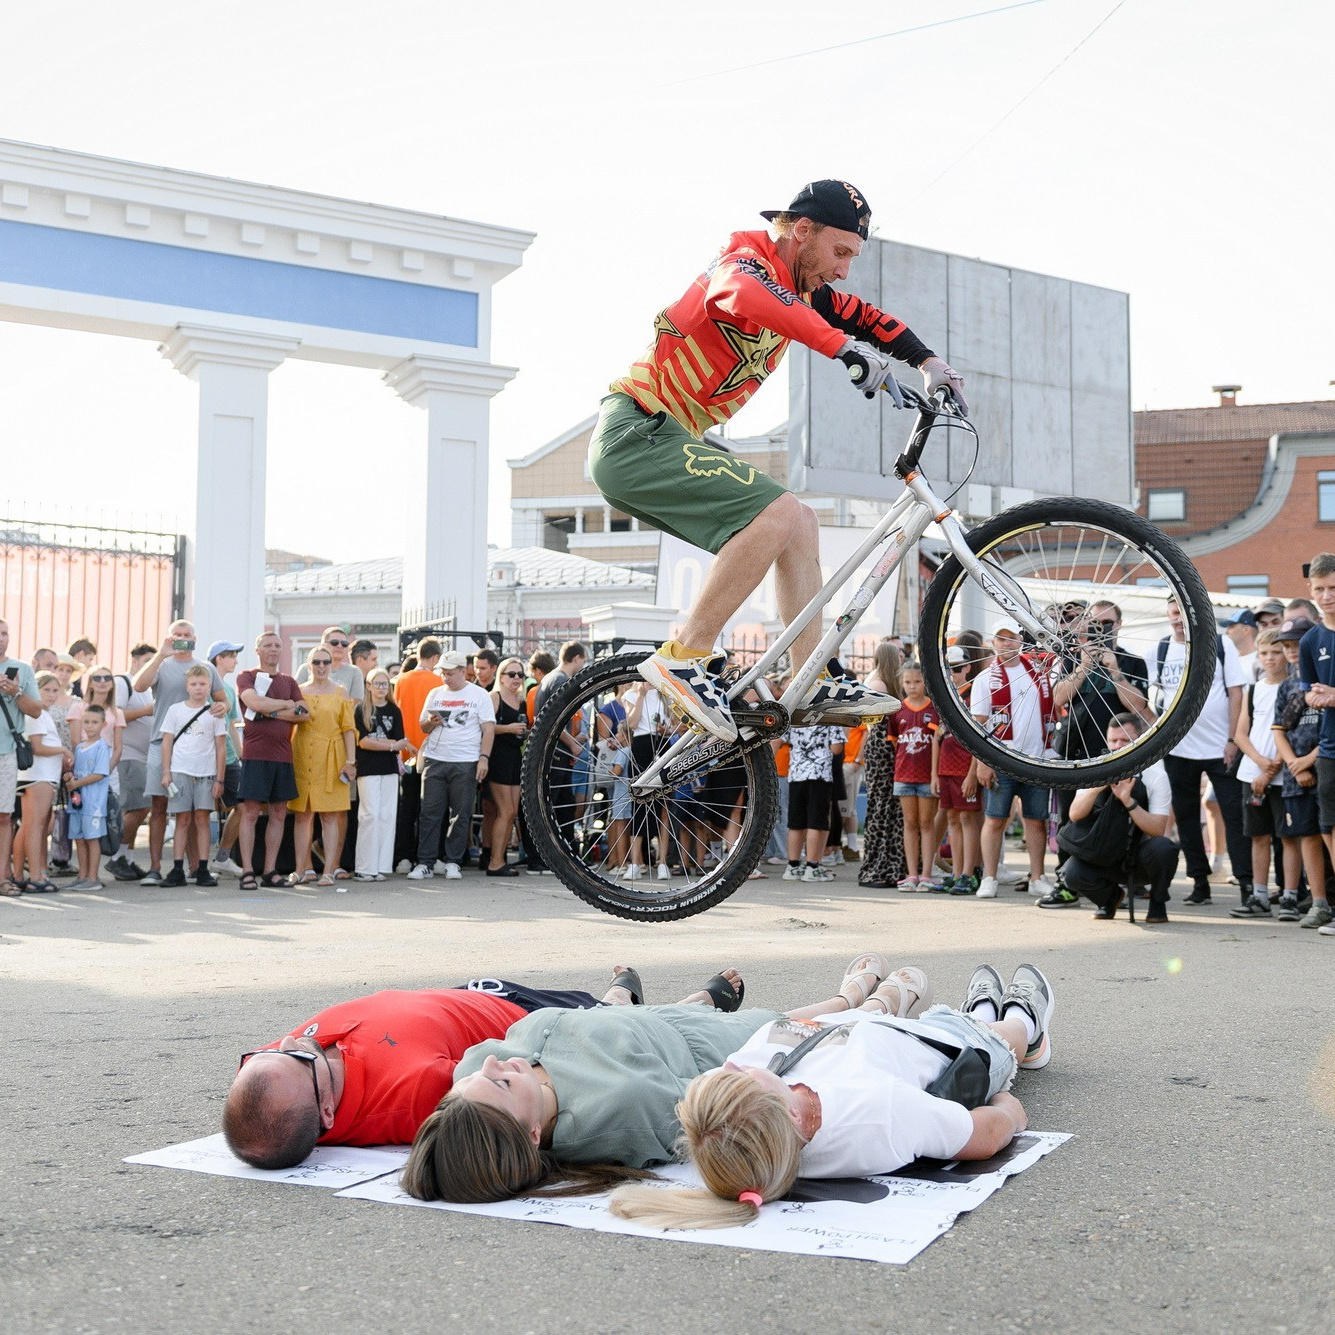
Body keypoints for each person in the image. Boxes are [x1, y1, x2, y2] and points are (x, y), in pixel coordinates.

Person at [589, 181, 966, 743]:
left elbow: (866, 318)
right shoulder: (741, 262)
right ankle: (684, 655)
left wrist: (930, 363)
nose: (843, 271)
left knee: (801, 522)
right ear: (802, 230)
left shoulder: (804, 289)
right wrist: (842, 350)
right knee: (779, 512)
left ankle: (809, 677)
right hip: (635, 432)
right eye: (840, 252)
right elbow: (748, 295)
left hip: (665, 439)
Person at [400, 953, 938, 1203]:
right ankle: (864, 1005)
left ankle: (665, 995)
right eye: (501, 1084)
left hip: (641, 1019)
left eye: (480, 1076)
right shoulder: (621, 1111)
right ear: (533, 1134)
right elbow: (720, 1101)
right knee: (789, 1029)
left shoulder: (474, 1075)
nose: (494, 1065)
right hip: (701, 1047)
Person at [608, 963, 1055, 1229]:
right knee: (1004, 1034)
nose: (733, 1066)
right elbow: (982, 1136)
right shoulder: (878, 1116)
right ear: (793, 1116)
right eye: (740, 1078)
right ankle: (1022, 1023)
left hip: (868, 1032)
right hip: (953, 1048)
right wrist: (1008, 1110)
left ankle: (978, 1008)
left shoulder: (742, 1123)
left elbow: (782, 1038)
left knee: (966, 1019)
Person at [223, 966, 751, 1170]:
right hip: (522, 1017)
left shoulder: (279, 1073)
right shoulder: (410, 1095)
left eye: (267, 1053)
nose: (293, 1039)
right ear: (326, 1112)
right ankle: (688, 1003)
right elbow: (496, 1102)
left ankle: (622, 997)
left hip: (464, 993)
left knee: (613, 1013)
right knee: (616, 1022)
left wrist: (276, 1059)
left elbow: (270, 1084)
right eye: (300, 1055)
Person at [1153, 594, 1251, 907]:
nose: (1178, 618)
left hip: (1221, 748)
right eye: (1173, 612)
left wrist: (1233, 739)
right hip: (1178, 749)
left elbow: (1236, 693)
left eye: (1182, 612)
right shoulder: (1160, 649)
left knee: (1235, 817)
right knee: (1186, 820)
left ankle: (1247, 885)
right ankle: (1199, 882)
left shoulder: (1219, 644)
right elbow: (1153, 699)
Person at [972, 618, 1078, 900]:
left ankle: (1037, 877)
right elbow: (978, 726)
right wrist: (982, 762)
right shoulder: (985, 678)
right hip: (1001, 758)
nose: (1007, 644)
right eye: (1001, 638)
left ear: (1020, 641)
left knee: (1036, 820)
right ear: (993, 643)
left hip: (1036, 758)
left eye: (1011, 638)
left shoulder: (1038, 671)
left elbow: (1056, 700)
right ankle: (989, 877)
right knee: (995, 819)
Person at [1044, 714, 1177, 923]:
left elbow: (1158, 829)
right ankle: (1109, 899)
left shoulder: (1155, 774)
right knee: (1072, 873)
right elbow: (1075, 814)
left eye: (1125, 740)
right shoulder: (1096, 767)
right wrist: (1100, 785)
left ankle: (1158, 903)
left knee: (1165, 849)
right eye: (1113, 740)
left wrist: (1128, 801)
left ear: (1140, 740)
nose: (1118, 746)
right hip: (1102, 853)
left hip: (1139, 857)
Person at [131, 621, 227, 886]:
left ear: (195, 638)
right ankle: (154, 867)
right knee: (159, 806)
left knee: (195, 809)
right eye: (178, 635)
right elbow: (139, 686)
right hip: (161, 742)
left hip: (197, 746)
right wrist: (161, 654)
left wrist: (224, 706)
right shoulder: (162, 665)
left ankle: (196, 867)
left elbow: (222, 698)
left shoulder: (206, 668)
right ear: (169, 637)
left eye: (187, 635)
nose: (183, 639)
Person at [409, 650, 495, 881]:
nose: (445, 678)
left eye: (450, 673)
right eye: (443, 673)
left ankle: (453, 861)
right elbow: (423, 726)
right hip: (435, 759)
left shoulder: (479, 695)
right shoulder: (435, 693)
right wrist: (431, 721)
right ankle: (425, 862)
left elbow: (488, 729)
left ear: (462, 671)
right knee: (429, 812)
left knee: (460, 813)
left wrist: (483, 758)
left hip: (466, 760)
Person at [235, 632, 310, 891]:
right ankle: (247, 871)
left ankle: (270, 870)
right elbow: (253, 702)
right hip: (255, 755)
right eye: (268, 645)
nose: (273, 649)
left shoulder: (289, 681)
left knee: (279, 813)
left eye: (278, 645)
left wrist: (271, 711)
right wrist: (286, 705)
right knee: (251, 812)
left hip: (283, 756)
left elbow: (304, 713)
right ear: (258, 650)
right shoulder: (247, 676)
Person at [1230, 631, 1292, 917]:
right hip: (1252, 773)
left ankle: (1290, 894)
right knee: (1258, 835)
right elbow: (1241, 734)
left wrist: (1272, 767)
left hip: (1283, 773)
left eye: (1276, 652)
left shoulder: (1293, 687)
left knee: (1288, 837)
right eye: (1264, 653)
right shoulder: (1253, 690)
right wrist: (1259, 762)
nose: (1270, 658)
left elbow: (1292, 732)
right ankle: (1259, 895)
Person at [288, 646, 357, 888]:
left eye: (325, 662)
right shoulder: (299, 691)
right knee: (302, 815)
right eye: (316, 662)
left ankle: (329, 870)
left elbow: (349, 729)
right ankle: (301, 869)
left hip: (331, 758)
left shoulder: (340, 692)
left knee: (330, 815)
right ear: (308, 664)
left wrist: (350, 761)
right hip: (303, 756)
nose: (321, 666)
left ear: (331, 664)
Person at [159, 664, 228, 888]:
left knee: (202, 819)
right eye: (194, 684)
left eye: (202, 684)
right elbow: (167, 742)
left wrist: (219, 778)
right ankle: (178, 867)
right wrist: (166, 771)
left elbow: (221, 747)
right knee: (182, 819)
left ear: (209, 687)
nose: (198, 688)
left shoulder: (214, 712)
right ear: (187, 686)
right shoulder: (175, 710)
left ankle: (203, 868)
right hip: (180, 770)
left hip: (206, 773)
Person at [1296, 554, 1335, 933]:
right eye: (1320, 589)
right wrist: (1315, 697)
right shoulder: (1310, 640)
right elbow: (1308, 691)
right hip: (1329, 748)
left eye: (1333, 588)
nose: (1327, 596)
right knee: (1328, 827)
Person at [353, 666, 412, 881]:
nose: (381, 688)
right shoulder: (361, 709)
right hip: (368, 769)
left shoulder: (394, 710)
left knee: (387, 816)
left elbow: (400, 741)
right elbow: (363, 742)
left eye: (384, 684)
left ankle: (380, 866)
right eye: (377, 683)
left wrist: (386, 744)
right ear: (368, 686)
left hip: (389, 769)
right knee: (369, 815)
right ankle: (364, 867)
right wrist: (390, 745)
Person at [932, 645, 983, 894]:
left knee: (967, 818)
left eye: (957, 668)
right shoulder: (944, 695)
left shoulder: (974, 694)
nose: (952, 673)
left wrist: (972, 774)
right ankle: (957, 872)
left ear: (968, 668)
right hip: (946, 765)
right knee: (953, 818)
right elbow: (937, 736)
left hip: (965, 767)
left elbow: (980, 739)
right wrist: (934, 773)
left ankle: (969, 873)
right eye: (948, 669)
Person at [858, 640, 907, 890]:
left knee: (890, 807)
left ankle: (891, 865)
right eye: (899, 654)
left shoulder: (880, 681)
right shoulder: (879, 684)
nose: (903, 657)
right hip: (883, 748)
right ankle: (881, 866)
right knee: (883, 806)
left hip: (884, 747)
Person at [0, 617, 44, 896]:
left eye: (4, 633)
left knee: (4, 816)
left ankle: (2, 877)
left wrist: (15, 692)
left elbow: (36, 710)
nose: (1, 638)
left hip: (6, 752)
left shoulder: (22, 670)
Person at [14, 673, 69, 893]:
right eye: (47, 690)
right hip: (38, 776)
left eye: (56, 690)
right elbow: (37, 747)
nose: (52, 695)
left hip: (43, 776)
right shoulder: (35, 714)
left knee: (29, 826)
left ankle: (19, 875)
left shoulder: (44, 714)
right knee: (35, 826)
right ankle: (35, 877)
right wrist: (63, 750)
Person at [391, 638, 442, 870]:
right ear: (435, 657)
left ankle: (403, 856)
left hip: (406, 751)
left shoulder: (401, 680)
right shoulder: (438, 681)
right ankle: (428, 856)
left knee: (407, 807)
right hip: (431, 751)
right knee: (430, 809)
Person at [106, 642, 156, 882]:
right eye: (146, 662)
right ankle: (117, 856)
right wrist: (146, 710)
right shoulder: (123, 682)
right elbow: (115, 715)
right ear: (134, 661)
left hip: (144, 756)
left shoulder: (147, 689)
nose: (150, 668)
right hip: (128, 755)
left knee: (136, 808)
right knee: (140, 808)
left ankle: (127, 859)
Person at [888, 661, 940, 891]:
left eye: (917, 681)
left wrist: (934, 774)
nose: (912, 686)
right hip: (904, 775)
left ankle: (926, 874)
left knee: (927, 824)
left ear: (925, 682)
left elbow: (937, 743)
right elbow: (895, 743)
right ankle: (912, 874)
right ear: (902, 683)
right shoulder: (897, 711)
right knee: (909, 824)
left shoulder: (933, 709)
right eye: (908, 682)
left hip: (927, 777)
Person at [204, 640, 246, 879]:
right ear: (219, 658)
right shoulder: (201, 685)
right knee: (200, 811)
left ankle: (222, 858)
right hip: (204, 757)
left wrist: (241, 755)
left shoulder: (229, 690)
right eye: (232, 656)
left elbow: (231, 726)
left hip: (229, 758)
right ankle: (197, 865)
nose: (236, 661)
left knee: (243, 804)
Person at [483, 657, 527, 876]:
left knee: (512, 812)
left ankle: (500, 860)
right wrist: (508, 728)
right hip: (498, 757)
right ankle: (495, 862)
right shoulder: (494, 697)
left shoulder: (522, 701)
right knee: (505, 810)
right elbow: (485, 728)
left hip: (515, 757)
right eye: (511, 674)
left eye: (520, 674)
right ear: (501, 676)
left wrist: (523, 731)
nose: (516, 678)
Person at [65, 704, 112, 889]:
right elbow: (76, 772)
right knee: (79, 838)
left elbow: (99, 774)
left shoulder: (102, 747)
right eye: (86, 722)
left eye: (94, 722)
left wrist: (76, 784)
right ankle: (82, 876)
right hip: (77, 802)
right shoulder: (79, 748)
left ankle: (93, 878)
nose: (90, 726)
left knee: (92, 839)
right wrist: (69, 777)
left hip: (93, 804)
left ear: (103, 724)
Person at [295, 626, 364, 703]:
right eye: (334, 642)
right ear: (323, 645)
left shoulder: (354, 672)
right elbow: (295, 698)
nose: (339, 646)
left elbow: (356, 703)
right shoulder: (306, 668)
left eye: (344, 644)